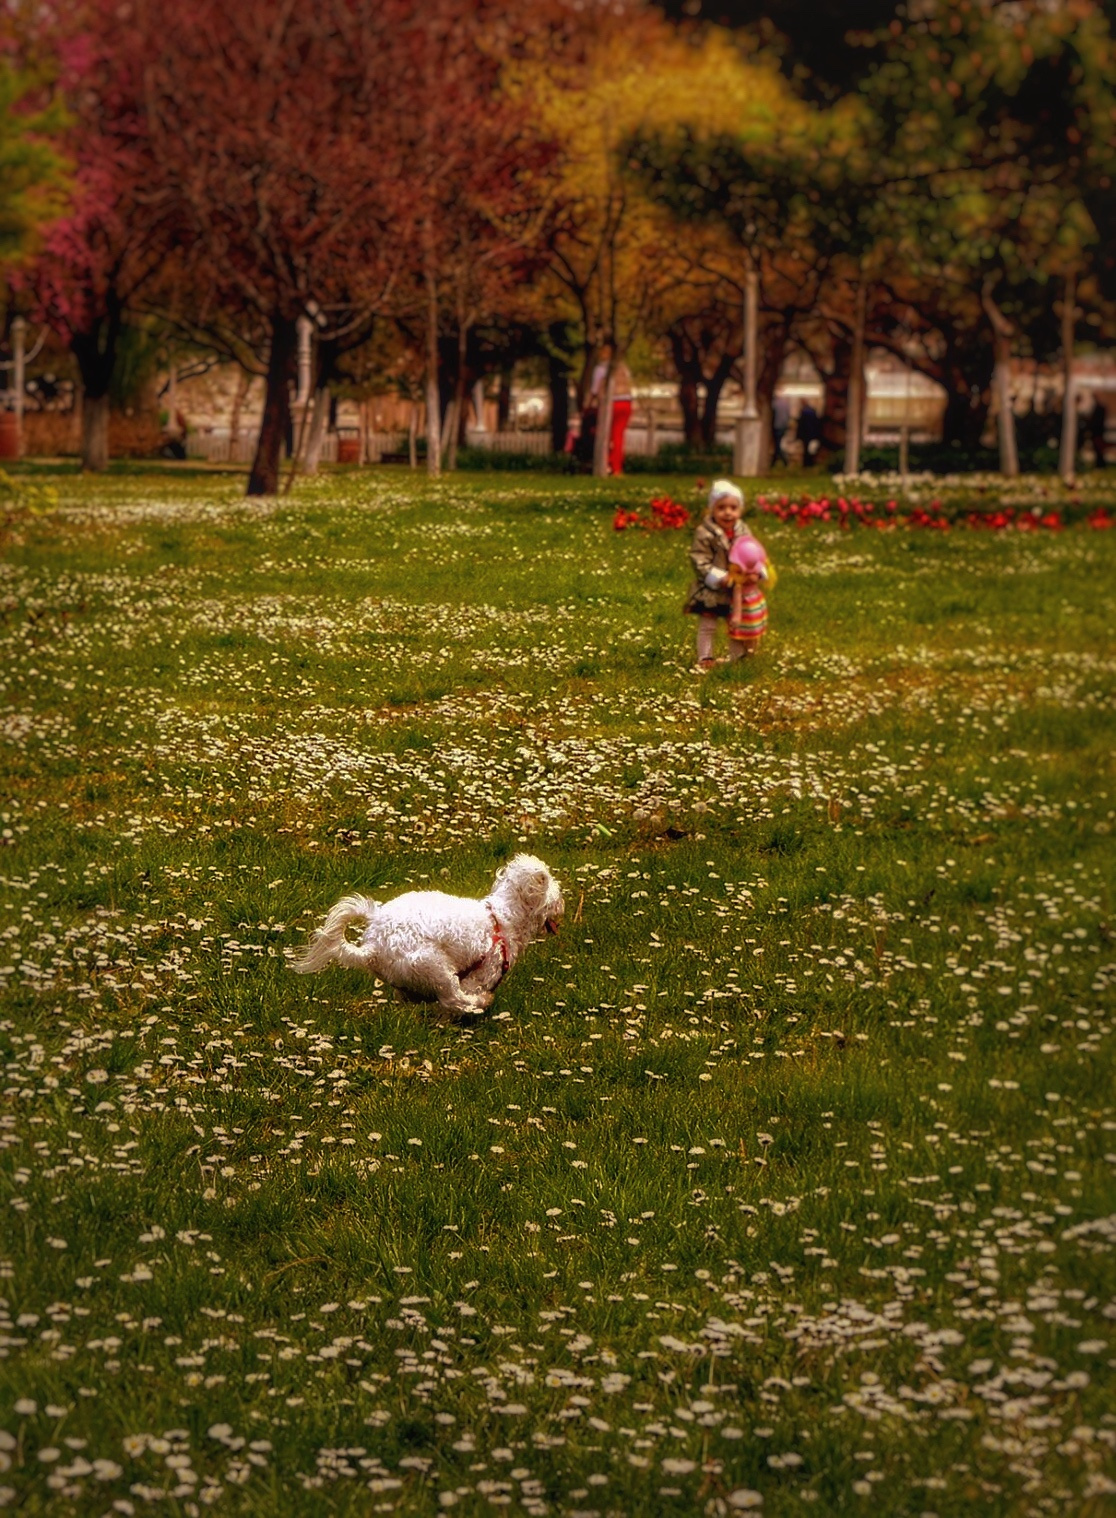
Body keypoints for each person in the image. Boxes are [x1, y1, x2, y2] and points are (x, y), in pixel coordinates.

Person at [683, 479, 764, 671]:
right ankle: (705, 657)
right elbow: (699, 559)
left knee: (736, 623)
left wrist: (756, 571)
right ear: (712, 509)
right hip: (712, 589)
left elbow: (753, 553)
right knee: (708, 624)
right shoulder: (705, 533)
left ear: (740, 510)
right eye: (721, 508)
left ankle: (737, 656)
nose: (728, 512)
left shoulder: (743, 530)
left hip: (736, 589)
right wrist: (718, 577)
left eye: (733, 508)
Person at [589, 345, 633, 474]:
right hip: (626, 402)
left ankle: (605, 464)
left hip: (611, 403)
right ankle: (617, 468)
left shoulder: (601, 369)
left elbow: (595, 390)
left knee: (605, 436)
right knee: (618, 437)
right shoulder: (623, 368)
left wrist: (591, 403)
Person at [772, 392, 791, 465]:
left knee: (777, 444)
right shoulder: (785, 404)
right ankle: (776, 460)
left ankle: (783, 460)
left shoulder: (774, 404)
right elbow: (788, 415)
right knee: (778, 443)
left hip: (776, 426)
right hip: (783, 426)